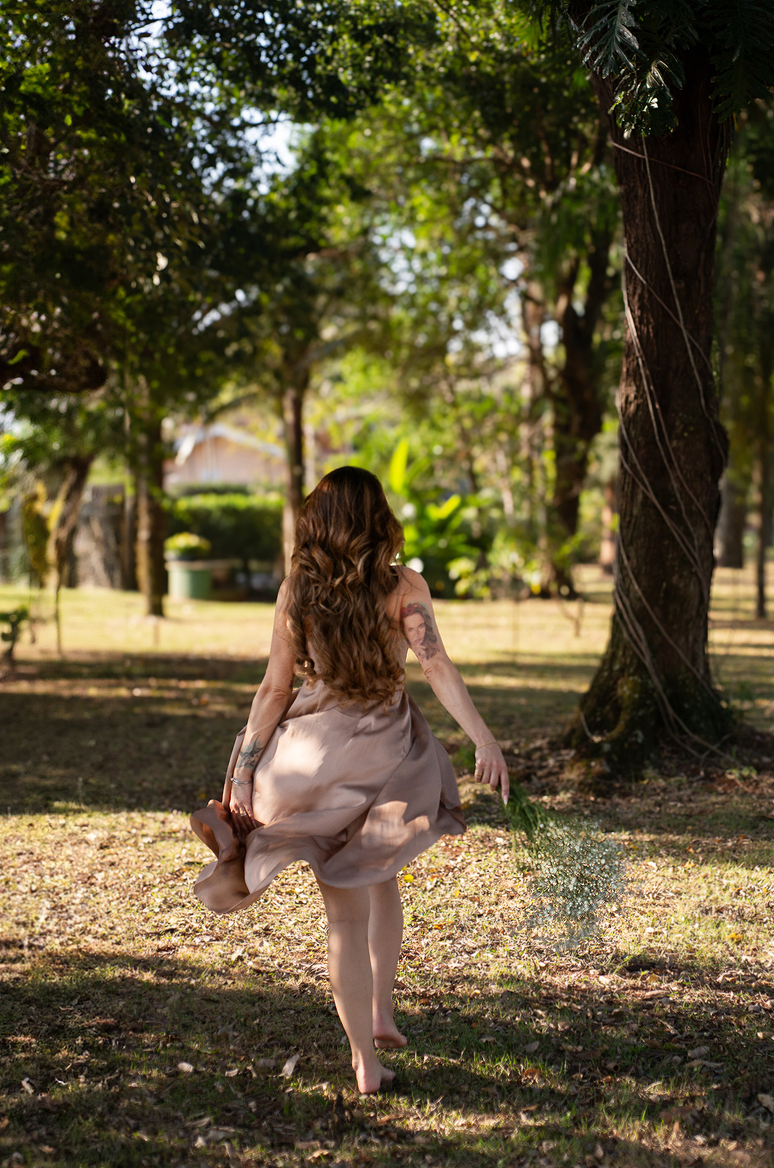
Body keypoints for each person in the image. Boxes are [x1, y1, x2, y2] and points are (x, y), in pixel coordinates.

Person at [190, 466, 509, 1095]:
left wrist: (243, 774)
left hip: (307, 761)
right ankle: (378, 1023)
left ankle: (367, 1051)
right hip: (381, 757)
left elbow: (274, 688)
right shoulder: (403, 586)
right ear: (377, 520)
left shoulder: (297, 590)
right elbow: (436, 665)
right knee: (377, 874)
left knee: (353, 905)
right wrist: (483, 739)